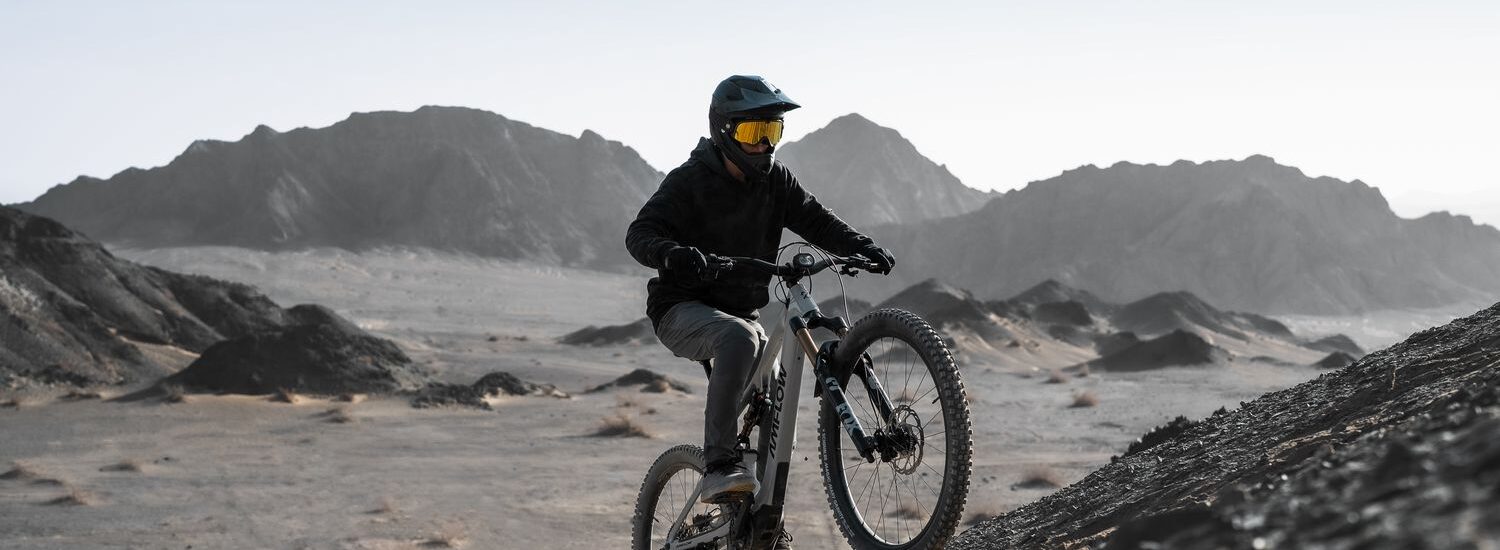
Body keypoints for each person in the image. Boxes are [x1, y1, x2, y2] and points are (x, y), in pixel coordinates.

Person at [625, 75, 894, 546]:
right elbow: (640, 233)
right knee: (739, 338)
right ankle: (718, 465)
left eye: (773, 132)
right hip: (682, 308)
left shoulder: (776, 181)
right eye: (755, 133)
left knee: (772, 403)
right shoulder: (689, 181)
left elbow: (817, 220)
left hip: (742, 314)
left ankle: (759, 521)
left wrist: (862, 246)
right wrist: (673, 254)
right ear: (724, 132)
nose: (765, 146)